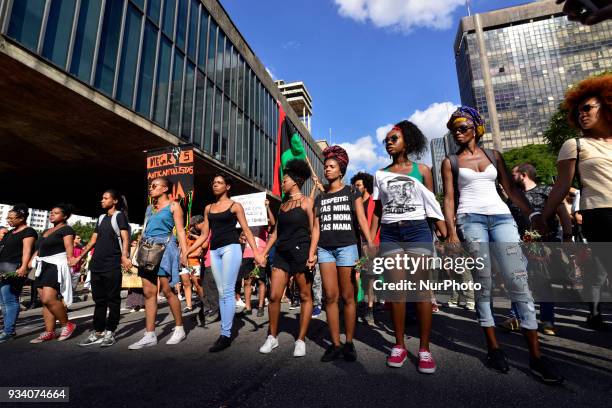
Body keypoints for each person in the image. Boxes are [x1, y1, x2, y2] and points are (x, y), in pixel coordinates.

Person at [442, 106, 563, 384]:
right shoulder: (450, 161)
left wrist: (532, 214)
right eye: (454, 130)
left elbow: (509, 189)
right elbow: (449, 198)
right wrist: (451, 232)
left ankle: (536, 356)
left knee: (518, 280)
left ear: (476, 128)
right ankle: (494, 348)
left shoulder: (494, 156)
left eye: (462, 127)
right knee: (483, 281)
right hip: (470, 219)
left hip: (501, 218)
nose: (457, 133)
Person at [369, 121, 447, 374]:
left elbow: (431, 203)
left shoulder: (422, 170)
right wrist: (372, 240)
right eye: (387, 139)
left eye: (394, 138)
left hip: (417, 231)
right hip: (391, 233)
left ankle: (424, 349)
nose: (389, 142)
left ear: (408, 141)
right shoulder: (380, 174)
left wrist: (444, 231)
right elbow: (378, 211)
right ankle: (399, 345)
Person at [538, 74, 612, 331]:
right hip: (600, 215)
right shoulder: (576, 145)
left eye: (588, 108)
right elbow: (560, 187)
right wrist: (544, 217)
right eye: (578, 110)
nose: (582, 114)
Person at [308, 146, 375, 362]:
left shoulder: (352, 192)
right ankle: (335, 344)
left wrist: (370, 244)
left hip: (347, 247)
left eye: (331, 166)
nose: (327, 169)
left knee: (348, 296)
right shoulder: (320, 198)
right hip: (325, 249)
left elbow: (362, 220)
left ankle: (349, 343)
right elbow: (316, 228)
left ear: (341, 170)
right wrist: (312, 252)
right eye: (326, 166)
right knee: (330, 297)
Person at [188, 173, 265, 352]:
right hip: (214, 251)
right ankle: (226, 330)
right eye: (214, 182)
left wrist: (256, 253)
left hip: (231, 248)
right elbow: (205, 235)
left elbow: (246, 229)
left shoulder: (235, 206)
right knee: (222, 291)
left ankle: (225, 334)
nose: (215, 185)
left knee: (228, 291)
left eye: (220, 183)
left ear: (227, 187)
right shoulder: (208, 208)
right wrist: (188, 251)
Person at [505, 164, 573, 335]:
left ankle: (547, 320)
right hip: (520, 244)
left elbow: (563, 213)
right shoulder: (513, 196)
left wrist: (567, 236)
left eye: (513, 174)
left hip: (546, 244)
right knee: (519, 280)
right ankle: (516, 318)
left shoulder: (546, 191)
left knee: (544, 281)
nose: (511, 178)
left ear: (523, 175)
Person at [259, 159, 315, 357]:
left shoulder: (308, 202)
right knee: (274, 296)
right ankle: (272, 337)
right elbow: (275, 233)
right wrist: (263, 253)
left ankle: (300, 339)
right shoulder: (282, 206)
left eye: (285, 180)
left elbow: (314, 229)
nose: (282, 183)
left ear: (295, 181)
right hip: (281, 252)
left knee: (305, 296)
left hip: (301, 251)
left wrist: (312, 253)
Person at [128, 178, 189, 349]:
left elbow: (181, 230)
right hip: (147, 249)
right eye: (150, 186)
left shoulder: (174, 206)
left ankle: (179, 328)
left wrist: (184, 252)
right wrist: (133, 254)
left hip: (164, 248)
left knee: (167, 290)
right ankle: (150, 334)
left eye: (154, 186)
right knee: (148, 292)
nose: (151, 188)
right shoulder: (149, 208)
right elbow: (145, 231)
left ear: (165, 188)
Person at [72, 190, 132, 347]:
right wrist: (80, 257)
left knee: (113, 300)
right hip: (97, 265)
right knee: (99, 301)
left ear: (115, 201)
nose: (102, 200)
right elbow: (93, 241)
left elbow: (126, 238)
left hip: (112, 264)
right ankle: (98, 331)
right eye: (102, 198)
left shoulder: (119, 216)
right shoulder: (101, 218)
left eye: (105, 198)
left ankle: (110, 332)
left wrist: (125, 256)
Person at [29, 204, 77, 343]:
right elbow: (39, 249)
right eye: (51, 212)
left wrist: (70, 259)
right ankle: (49, 332)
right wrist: (30, 263)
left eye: (56, 213)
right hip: (41, 266)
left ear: (65, 216)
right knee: (45, 303)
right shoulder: (46, 231)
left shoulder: (66, 229)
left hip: (55, 265)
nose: (52, 215)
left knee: (48, 299)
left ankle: (66, 324)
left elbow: (69, 246)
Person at [0, 204, 37, 343]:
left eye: (11, 218)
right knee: (3, 302)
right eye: (7, 217)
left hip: (14, 269)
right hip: (2, 268)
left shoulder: (29, 231)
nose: (8, 220)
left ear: (21, 218)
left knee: (10, 300)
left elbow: (27, 251)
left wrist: (23, 268)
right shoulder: (10, 232)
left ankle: (9, 331)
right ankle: (7, 328)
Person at [350, 171, 378, 324]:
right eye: (354, 185)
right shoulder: (355, 202)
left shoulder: (373, 201)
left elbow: (376, 224)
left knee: (370, 277)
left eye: (358, 185)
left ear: (365, 186)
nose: (356, 187)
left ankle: (370, 308)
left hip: (370, 245)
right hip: (356, 244)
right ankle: (356, 305)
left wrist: (371, 242)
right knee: (356, 274)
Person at [182, 215, 206, 313]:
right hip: (184, 265)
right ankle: (189, 305)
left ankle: (204, 302)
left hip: (193, 264)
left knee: (197, 284)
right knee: (186, 284)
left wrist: (185, 256)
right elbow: (181, 248)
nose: (191, 228)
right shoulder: (186, 236)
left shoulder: (200, 238)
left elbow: (198, 253)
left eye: (193, 226)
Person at [71, 235, 84, 300]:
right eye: (78, 238)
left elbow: (82, 260)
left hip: (76, 271)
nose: (80, 239)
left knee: (73, 289)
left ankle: (66, 306)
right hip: (69, 270)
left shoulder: (80, 249)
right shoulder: (69, 248)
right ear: (73, 239)